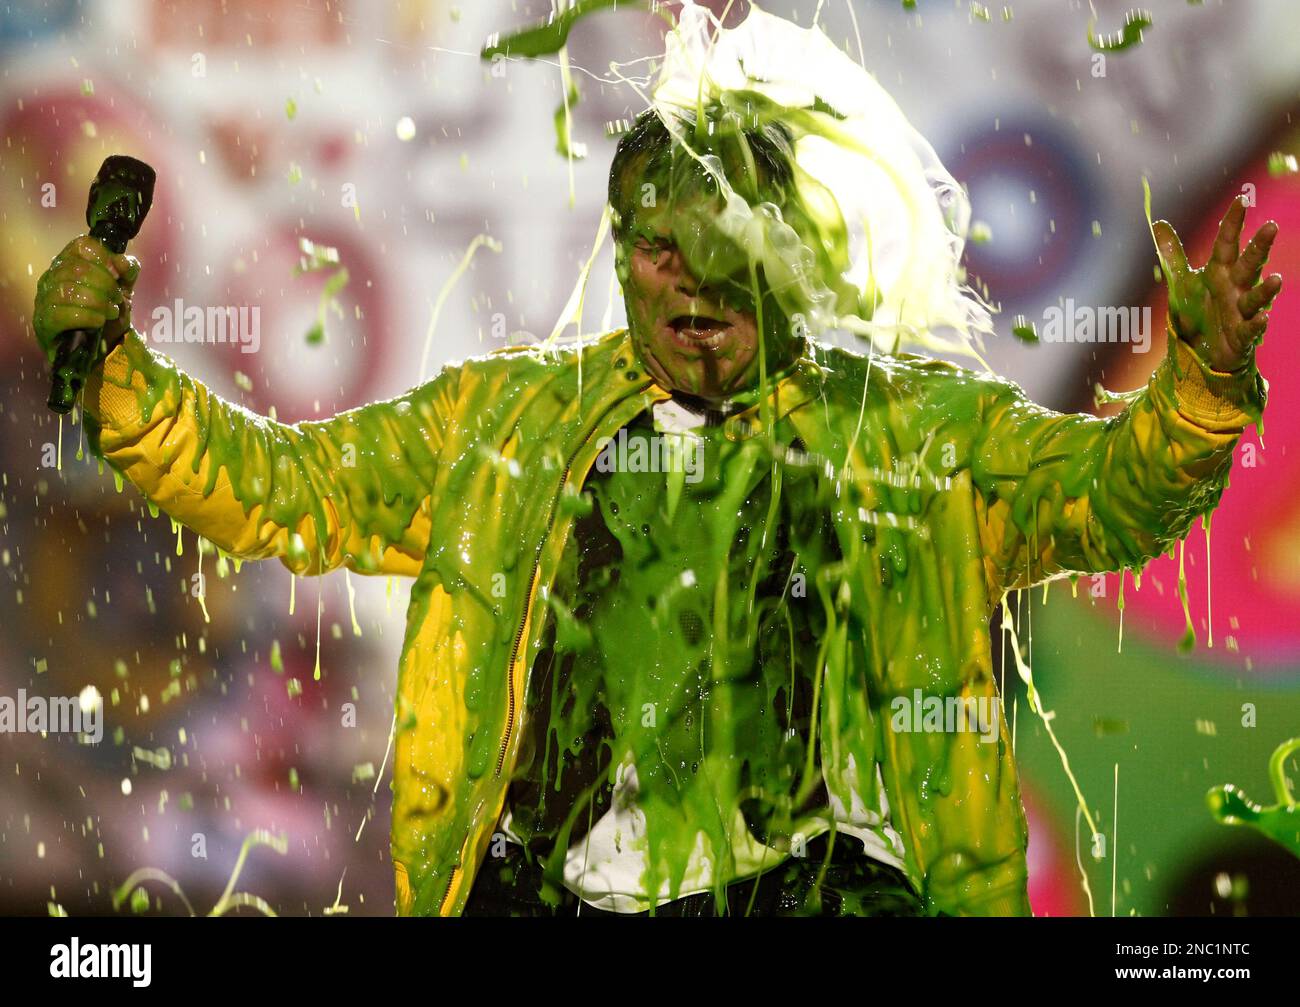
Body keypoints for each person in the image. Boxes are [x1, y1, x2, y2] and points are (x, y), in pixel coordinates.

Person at [32, 88, 1280, 917]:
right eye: (661, 247)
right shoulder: (500, 433)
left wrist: (1200, 397)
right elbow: (280, 492)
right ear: (623, 248)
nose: (693, 284)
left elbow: (1107, 503)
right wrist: (123, 377)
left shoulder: (911, 437)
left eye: (728, 244)